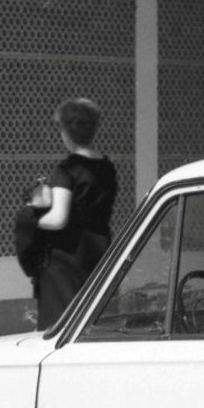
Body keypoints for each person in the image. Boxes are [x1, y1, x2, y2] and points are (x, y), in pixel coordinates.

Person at [30, 97, 118, 328]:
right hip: (100, 252)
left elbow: (58, 219)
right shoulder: (107, 167)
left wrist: (32, 219)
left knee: (62, 327)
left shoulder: (67, 169)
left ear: (67, 133)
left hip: (68, 261)